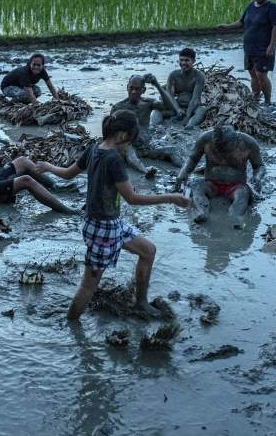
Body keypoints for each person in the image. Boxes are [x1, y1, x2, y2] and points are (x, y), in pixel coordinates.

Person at [35, 110, 190, 320]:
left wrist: (47, 166)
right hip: (103, 229)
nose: (130, 145)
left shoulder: (93, 148)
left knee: (148, 251)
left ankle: (141, 303)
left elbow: (67, 173)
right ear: (123, 135)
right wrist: (170, 197)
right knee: (89, 284)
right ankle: (71, 325)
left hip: (105, 223)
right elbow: (132, 199)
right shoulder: (113, 159)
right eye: (131, 140)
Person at [176, 125, 264, 228]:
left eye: (225, 147)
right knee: (195, 185)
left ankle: (235, 218)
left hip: (236, 186)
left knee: (243, 194)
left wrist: (257, 177)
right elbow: (193, 158)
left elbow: (259, 166)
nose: (222, 152)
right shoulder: (205, 139)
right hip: (211, 183)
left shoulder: (248, 143)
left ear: (235, 139)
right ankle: (201, 212)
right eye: (218, 147)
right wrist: (183, 172)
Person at [218, 0, 276, 105]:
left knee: (261, 75)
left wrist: (272, 46)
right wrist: (226, 26)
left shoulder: (272, 8)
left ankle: (268, 101)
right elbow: (240, 22)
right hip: (249, 48)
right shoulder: (250, 6)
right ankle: (256, 97)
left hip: (263, 48)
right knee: (253, 75)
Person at [110, 74, 182, 174]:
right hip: (129, 145)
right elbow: (111, 132)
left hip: (146, 146)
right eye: (131, 88)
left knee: (172, 151)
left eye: (137, 89)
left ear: (143, 90)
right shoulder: (118, 107)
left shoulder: (148, 103)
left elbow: (170, 107)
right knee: (130, 154)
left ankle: (187, 169)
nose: (134, 92)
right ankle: (145, 171)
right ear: (127, 87)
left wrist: (157, 85)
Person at [164, 48, 209, 129]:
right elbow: (170, 96)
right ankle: (153, 126)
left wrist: (187, 116)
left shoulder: (199, 76)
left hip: (192, 108)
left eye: (187, 60)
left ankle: (189, 127)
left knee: (202, 110)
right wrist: (177, 109)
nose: (183, 63)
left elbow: (195, 98)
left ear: (193, 61)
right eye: (181, 60)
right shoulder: (173, 75)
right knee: (156, 111)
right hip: (176, 106)